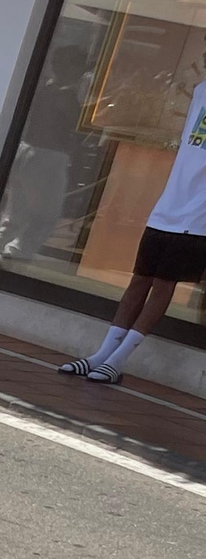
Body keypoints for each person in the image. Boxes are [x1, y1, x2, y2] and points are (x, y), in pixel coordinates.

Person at [59, 71, 206, 383]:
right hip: (168, 205)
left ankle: (119, 359)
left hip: (198, 217)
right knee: (140, 279)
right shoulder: (201, 91)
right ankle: (103, 354)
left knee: (164, 283)